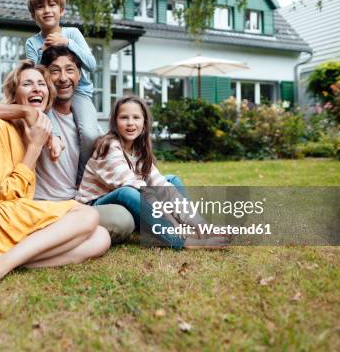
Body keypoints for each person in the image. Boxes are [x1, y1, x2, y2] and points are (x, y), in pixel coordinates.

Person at [0, 60, 111, 299]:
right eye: (28, 84)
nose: (37, 88)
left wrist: (42, 139)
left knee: (101, 238)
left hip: (3, 220)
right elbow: (4, 195)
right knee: (88, 215)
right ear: (14, 94)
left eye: (41, 84)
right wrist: (35, 145)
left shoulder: (33, 131)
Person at [0, 46, 135, 244]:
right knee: (122, 220)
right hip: (38, 206)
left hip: (75, 203)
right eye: (54, 71)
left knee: (127, 203)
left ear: (79, 76)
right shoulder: (30, 116)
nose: (62, 78)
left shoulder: (86, 123)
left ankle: (169, 219)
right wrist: (24, 111)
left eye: (70, 70)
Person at [76, 96, 228, 249]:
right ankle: (182, 241)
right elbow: (139, 190)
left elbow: (159, 184)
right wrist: (171, 222)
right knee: (129, 192)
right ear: (115, 122)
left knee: (170, 181)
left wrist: (201, 224)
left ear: (144, 122)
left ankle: (197, 229)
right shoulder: (109, 147)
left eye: (136, 117)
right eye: (124, 117)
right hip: (96, 205)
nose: (130, 123)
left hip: (127, 200)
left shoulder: (139, 149)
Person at [25, 0, 99, 183]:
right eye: (40, 7)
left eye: (52, 5)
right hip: (50, 92)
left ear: (61, 10)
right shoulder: (32, 43)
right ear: (33, 15)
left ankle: (82, 179)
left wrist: (68, 44)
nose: (47, 10)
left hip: (79, 92)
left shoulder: (72, 33)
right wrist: (43, 52)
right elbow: (36, 75)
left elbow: (91, 65)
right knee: (48, 127)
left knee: (91, 134)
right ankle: (54, 144)